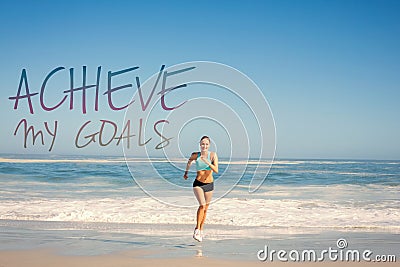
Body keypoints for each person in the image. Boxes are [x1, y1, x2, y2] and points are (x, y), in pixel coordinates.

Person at [183, 135, 218, 242]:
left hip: (209, 184)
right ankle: (197, 229)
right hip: (198, 183)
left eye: (206, 144)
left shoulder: (213, 155)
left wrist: (208, 163)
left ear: (209, 145)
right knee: (202, 205)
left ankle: (201, 230)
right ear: (200, 144)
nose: (204, 146)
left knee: (206, 209)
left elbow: (216, 170)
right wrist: (186, 172)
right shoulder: (195, 155)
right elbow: (189, 162)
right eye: (203, 144)